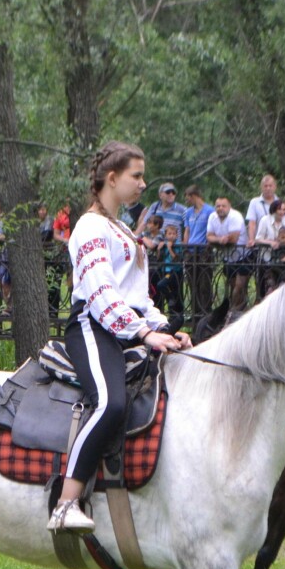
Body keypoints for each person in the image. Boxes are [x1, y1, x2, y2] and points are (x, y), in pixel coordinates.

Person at [48, 142, 190, 533]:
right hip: (92, 328)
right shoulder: (90, 227)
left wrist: (163, 330)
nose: (144, 183)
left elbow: (139, 298)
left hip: (124, 329)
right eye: (137, 176)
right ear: (112, 179)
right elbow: (101, 295)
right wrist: (143, 334)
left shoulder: (123, 230)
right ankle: (65, 503)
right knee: (110, 403)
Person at [181, 185, 216, 321]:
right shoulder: (188, 212)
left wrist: (208, 247)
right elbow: (187, 230)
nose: (187, 200)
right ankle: (195, 313)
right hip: (191, 251)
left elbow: (211, 230)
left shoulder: (209, 211)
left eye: (188, 197)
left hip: (203, 251)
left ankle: (206, 312)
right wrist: (185, 247)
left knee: (204, 283)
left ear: (193, 196)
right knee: (192, 283)